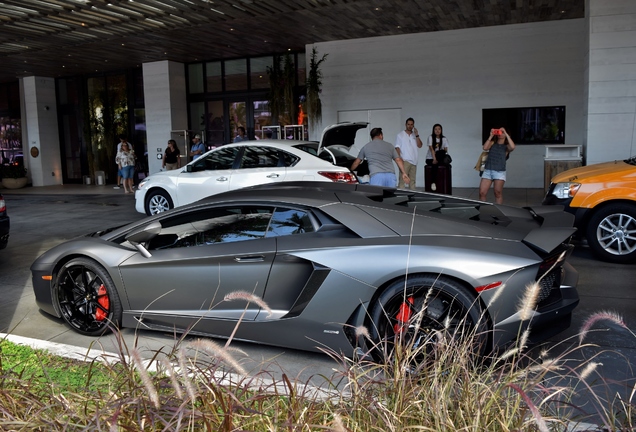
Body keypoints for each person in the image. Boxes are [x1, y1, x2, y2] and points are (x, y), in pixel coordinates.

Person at [479, 127, 515, 204]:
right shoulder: (492, 143)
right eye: (499, 132)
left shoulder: (506, 146)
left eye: (502, 132)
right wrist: (491, 135)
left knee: (497, 193)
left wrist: (505, 133)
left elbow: (512, 147)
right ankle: (482, 210)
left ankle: (498, 211)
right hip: (488, 170)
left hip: (499, 172)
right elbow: (485, 148)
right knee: (482, 193)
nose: (500, 133)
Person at [394, 117, 423, 189]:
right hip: (405, 161)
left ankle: (412, 197)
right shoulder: (400, 135)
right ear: (405, 125)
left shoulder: (414, 135)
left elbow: (420, 145)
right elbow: (397, 148)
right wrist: (400, 159)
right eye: (408, 124)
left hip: (414, 161)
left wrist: (417, 135)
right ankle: (400, 196)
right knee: (402, 180)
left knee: (412, 181)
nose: (410, 126)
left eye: (411, 124)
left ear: (413, 125)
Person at [425, 123, 450, 191]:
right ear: (433, 130)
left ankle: (443, 185)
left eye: (439, 129)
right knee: (434, 164)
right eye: (435, 129)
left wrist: (439, 158)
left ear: (441, 130)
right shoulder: (430, 137)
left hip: (439, 158)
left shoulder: (444, 139)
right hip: (430, 158)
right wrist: (434, 159)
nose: (437, 131)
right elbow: (431, 149)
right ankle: (433, 182)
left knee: (445, 163)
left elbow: (445, 150)